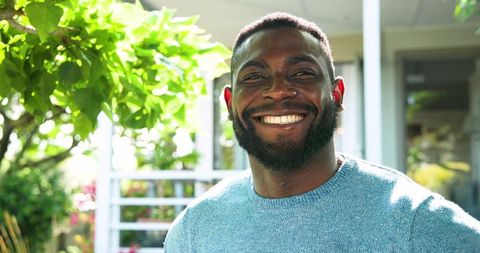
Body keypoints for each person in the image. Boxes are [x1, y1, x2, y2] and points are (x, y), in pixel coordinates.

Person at [164, 12, 480, 252]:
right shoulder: (194, 231)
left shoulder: (412, 220)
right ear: (231, 103)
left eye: (302, 73)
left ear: (336, 94)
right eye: (254, 77)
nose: (278, 91)